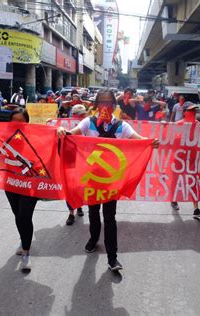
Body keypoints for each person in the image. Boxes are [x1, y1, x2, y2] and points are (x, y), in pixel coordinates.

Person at [57, 88, 159, 271]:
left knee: (110, 217)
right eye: (102, 102)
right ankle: (93, 239)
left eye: (109, 102)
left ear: (114, 105)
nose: (105, 106)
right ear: (97, 104)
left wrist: (150, 141)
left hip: (112, 180)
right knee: (93, 213)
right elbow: (73, 133)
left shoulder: (121, 126)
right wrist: (63, 131)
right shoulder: (89, 122)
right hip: (92, 178)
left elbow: (138, 139)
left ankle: (112, 257)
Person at [4, 108, 35, 271]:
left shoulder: (35, 137)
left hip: (30, 184)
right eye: (13, 120)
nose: (17, 123)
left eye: (20, 120)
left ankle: (26, 253)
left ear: (27, 122)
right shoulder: (4, 138)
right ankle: (24, 240)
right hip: (10, 183)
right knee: (18, 215)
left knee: (24, 216)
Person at [170, 104, 200, 218]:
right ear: (184, 112)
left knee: (193, 181)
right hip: (179, 158)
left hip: (193, 159)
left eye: (194, 111)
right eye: (190, 111)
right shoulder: (177, 125)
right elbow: (170, 140)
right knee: (176, 180)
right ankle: (173, 199)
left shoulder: (199, 125)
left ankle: (196, 209)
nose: (193, 113)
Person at [65, 104, 88, 225]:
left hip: (83, 159)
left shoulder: (89, 124)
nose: (84, 116)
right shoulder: (64, 125)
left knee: (80, 186)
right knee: (69, 187)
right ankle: (71, 212)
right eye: (81, 115)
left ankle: (79, 206)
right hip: (69, 160)